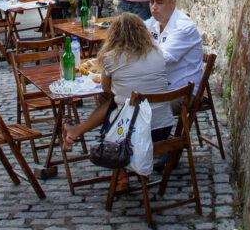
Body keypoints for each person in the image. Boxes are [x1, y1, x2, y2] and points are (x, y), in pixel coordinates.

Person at [62, 13, 175, 152]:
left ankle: (119, 169)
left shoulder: (111, 58)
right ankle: (76, 131)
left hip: (130, 132)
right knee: (119, 101)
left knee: (112, 101)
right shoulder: (157, 52)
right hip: (163, 127)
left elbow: (106, 88)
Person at [145, 0, 204, 115]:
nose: (154, 7)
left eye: (159, 2)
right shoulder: (154, 22)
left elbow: (163, 58)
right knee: (114, 96)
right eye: (151, 2)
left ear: (173, 3)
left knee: (140, 109)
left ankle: (156, 135)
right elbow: (135, 34)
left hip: (182, 92)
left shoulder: (183, 27)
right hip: (160, 87)